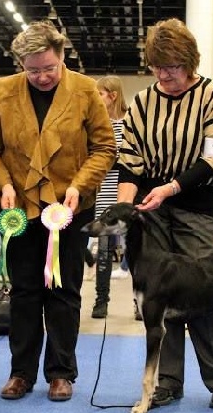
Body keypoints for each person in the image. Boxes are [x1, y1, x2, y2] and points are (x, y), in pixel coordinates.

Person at [0, 20, 115, 403]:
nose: (40, 76)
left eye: (48, 68)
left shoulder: (85, 89)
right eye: (32, 69)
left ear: (62, 56)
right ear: (20, 63)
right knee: (23, 292)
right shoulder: (5, 90)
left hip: (69, 208)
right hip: (19, 207)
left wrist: (78, 186)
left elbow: (105, 148)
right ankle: (20, 373)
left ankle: (61, 373)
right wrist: (3, 183)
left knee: (64, 292)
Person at [116, 18, 213, 409]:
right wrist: (126, 208)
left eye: (172, 66)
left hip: (195, 202)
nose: (164, 74)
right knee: (157, 301)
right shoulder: (141, 102)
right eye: (157, 66)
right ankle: (167, 381)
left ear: (190, 61)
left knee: (204, 293)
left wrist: (171, 187)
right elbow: (130, 162)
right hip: (151, 208)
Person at [90, 75, 128, 319]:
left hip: (124, 192)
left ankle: (139, 302)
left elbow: (127, 159)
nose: (96, 98)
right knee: (103, 250)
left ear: (113, 95)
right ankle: (101, 299)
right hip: (101, 194)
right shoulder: (95, 124)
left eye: (100, 94)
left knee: (132, 251)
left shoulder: (128, 124)